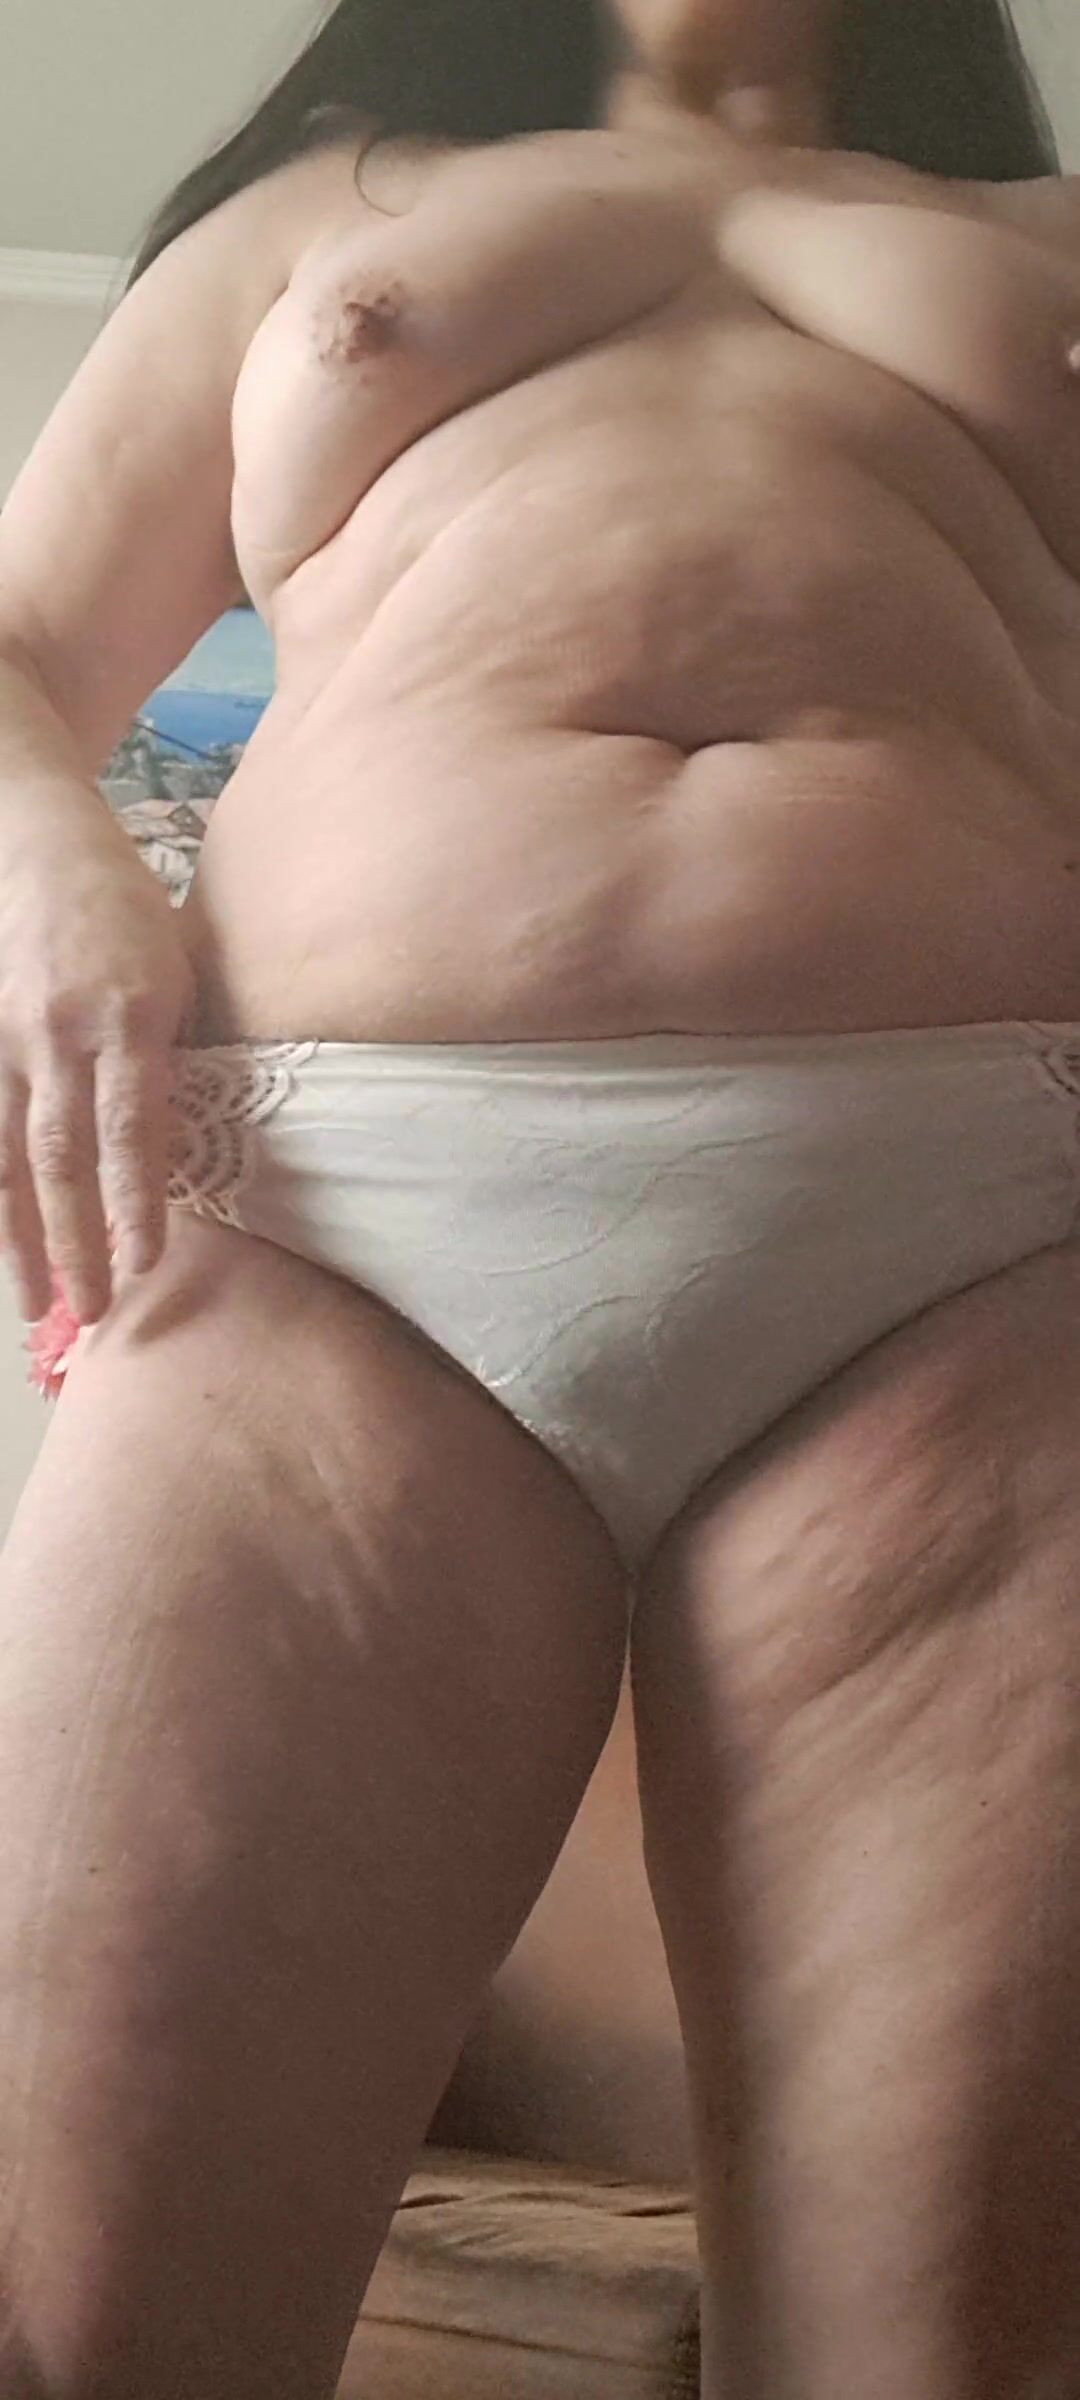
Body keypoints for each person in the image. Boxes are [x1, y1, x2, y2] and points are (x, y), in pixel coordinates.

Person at [1, 0, 1079, 2391]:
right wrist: (46, 869)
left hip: (986, 1259)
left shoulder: (1051, 237)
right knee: (78, 2337)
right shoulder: (320, 210)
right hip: (330, 1239)